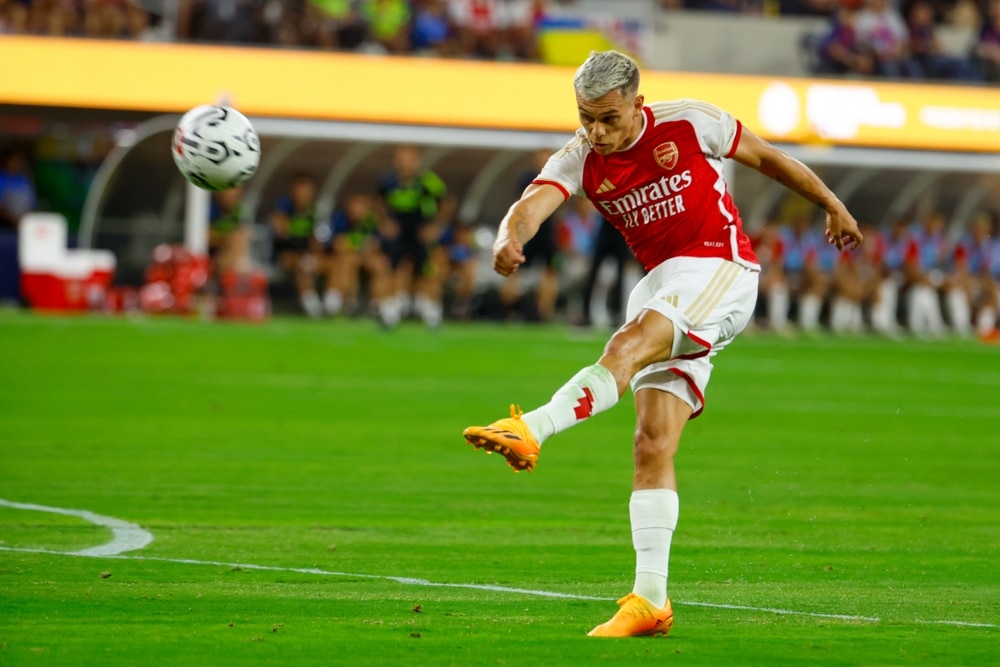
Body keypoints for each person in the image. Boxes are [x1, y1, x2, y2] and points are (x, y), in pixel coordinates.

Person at [461, 50, 862, 638]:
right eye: (586, 117)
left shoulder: (689, 122)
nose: (596, 131)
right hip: (663, 283)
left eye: (609, 118)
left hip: (719, 268)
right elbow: (532, 205)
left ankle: (534, 428)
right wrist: (506, 237)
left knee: (627, 344)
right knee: (652, 443)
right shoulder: (579, 155)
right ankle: (650, 600)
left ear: (637, 105)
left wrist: (833, 204)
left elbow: (770, 160)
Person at [373, 144, 454, 328]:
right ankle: (390, 312)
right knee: (393, 268)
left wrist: (436, 226)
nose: (405, 164)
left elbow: (447, 202)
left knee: (427, 271)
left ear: (417, 162)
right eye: (401, 159)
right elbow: (377, 203)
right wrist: (384, 222)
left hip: (420, 233)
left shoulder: (428, 181)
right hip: (398, 234)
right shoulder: (387, 181)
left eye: (409, 160)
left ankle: (432, 313)